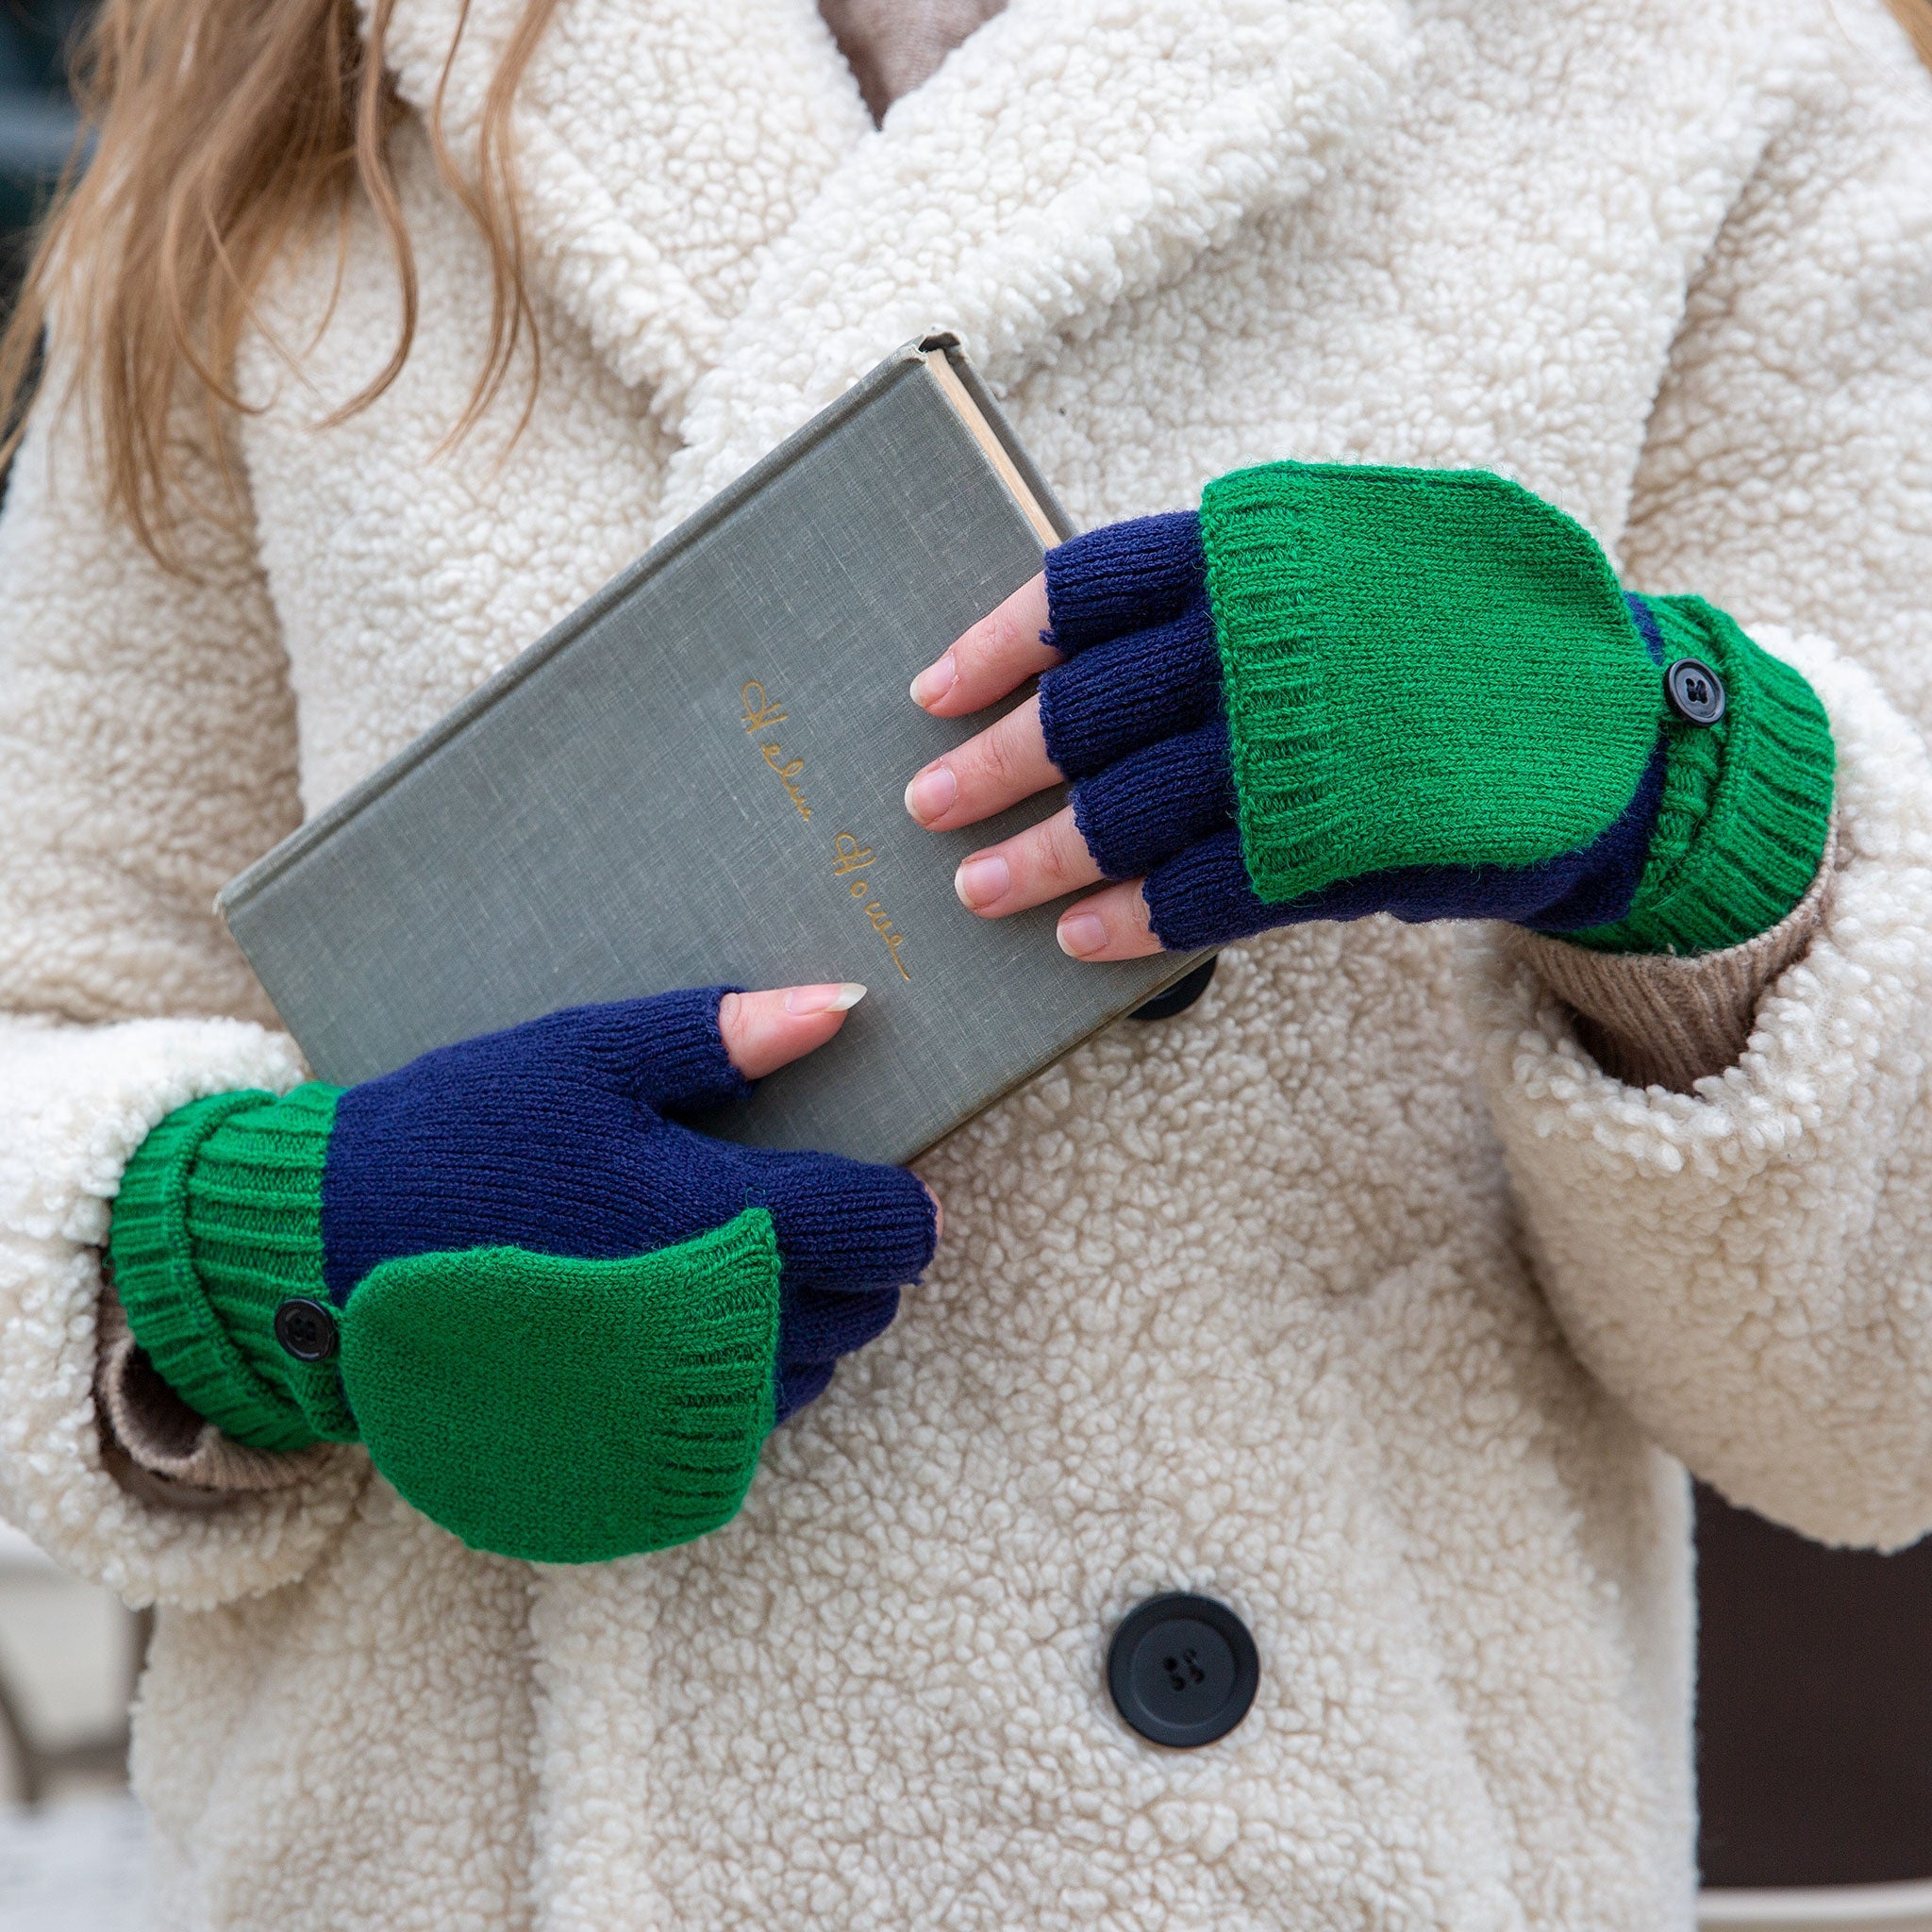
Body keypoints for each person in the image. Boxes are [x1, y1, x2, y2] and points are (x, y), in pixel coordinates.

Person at [0, 0, 1928, 1924]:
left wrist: (1680, 800)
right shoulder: (312, 55)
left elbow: (1869, 1390)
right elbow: (41, 1011)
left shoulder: (1702, 63)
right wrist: (274, 1245)